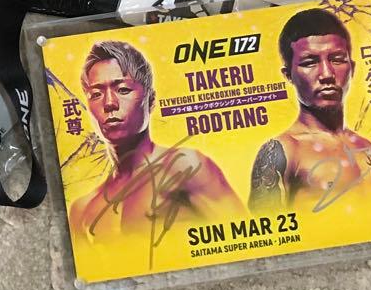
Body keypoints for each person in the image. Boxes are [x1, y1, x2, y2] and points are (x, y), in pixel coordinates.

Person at [69, 39, 244, 241]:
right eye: (96, 94)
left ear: (150, 100)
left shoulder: (184, 167)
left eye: (123, 90)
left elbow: (247, 236)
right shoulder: (82, 210)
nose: (109, 103)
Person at [249, 9, 371, 212]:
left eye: (337, 59)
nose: (326, 73)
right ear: (288, 75)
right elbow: (265, 226)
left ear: (352, 68)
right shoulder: (283, 151)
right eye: (309, 62)